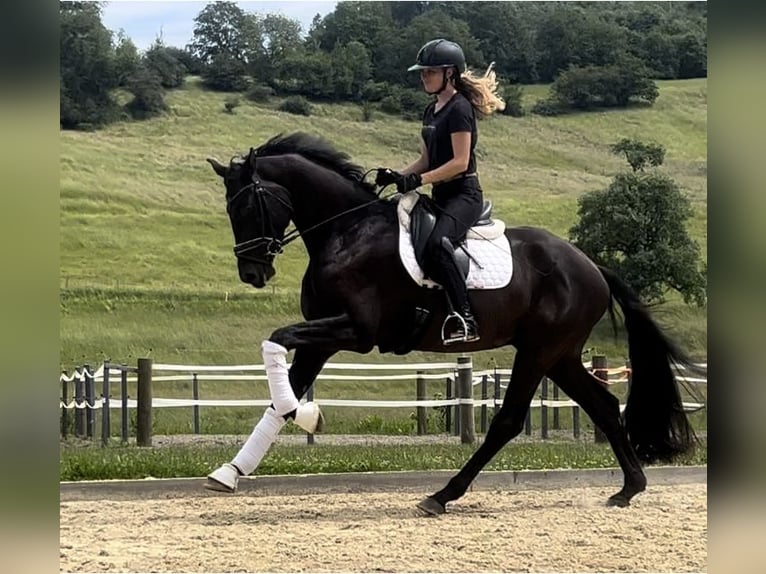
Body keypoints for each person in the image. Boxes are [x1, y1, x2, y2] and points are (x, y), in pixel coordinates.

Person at [376, 38, 505, 344]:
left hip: (464, 196)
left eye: (429, 72)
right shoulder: (431, 110)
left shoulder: (460, 109)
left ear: (449, 73)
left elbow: (460, 163)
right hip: (441, 197)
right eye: (422, 72)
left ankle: (466, 317)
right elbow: (425, 160)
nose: (423, 77)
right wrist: (397, 175)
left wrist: (418, 181)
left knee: (438, 243)